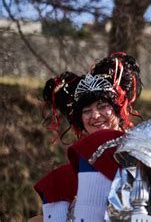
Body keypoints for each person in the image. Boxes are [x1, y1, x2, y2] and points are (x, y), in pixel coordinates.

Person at [33, 53, 142, 221]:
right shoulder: (62, 179)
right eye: (86, 111)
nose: (95, 115)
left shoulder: (143, 149)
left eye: (103, 106)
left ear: (118, 111)